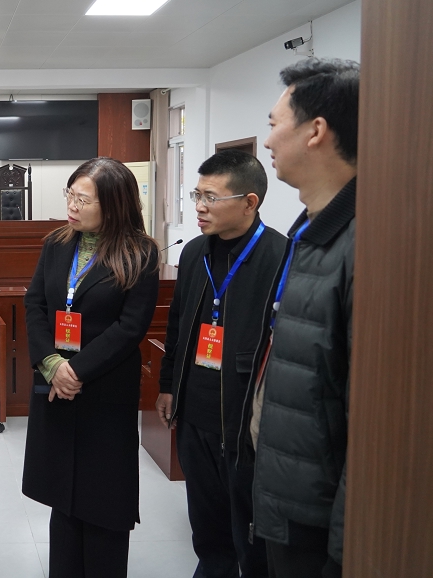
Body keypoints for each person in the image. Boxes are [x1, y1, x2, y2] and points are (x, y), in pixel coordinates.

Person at [242, 57, 359, 578]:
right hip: (285, 494)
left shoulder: (362, 243)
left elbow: (371, 424)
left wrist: (345, 549)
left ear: (316, 131)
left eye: (274, 124)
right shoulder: (307, 231)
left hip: (320, 522)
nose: (267, 141)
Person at [22, 157, 159, 578]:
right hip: (56, 387)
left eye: (83, 199)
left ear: (114, 204)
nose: (72, 205)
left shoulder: (140, 253)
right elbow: (35, 304)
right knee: (62, 497)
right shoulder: (57, 243)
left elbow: (129, 327)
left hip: (103, 392)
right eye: (70, 194)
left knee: (103, 501)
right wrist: (51, 363)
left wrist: (76, 371)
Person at [156, 150, 287, 578]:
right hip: (195, 411)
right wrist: (168, 384)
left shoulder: (281, 256)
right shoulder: (195, 252)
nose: (199, 206)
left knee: (248, 529)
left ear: (249, 202)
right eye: (197, 195)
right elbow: (178, 323)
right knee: (207, 522)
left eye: (211, 197)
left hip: (245, 417)